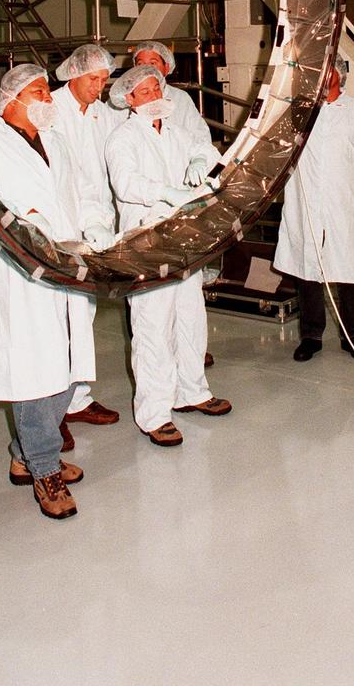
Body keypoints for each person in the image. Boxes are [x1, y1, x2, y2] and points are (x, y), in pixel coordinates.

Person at [0, 64, 98, 521]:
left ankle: (27, 453)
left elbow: (72, 196)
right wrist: (38, 234)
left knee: (69, 364)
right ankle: (44, 469)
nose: (47, 99)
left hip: (64, 260)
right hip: (19, 269)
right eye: (39, 92)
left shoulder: (53, 140)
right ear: (13, 99)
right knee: (35, 369)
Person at [105, 64, 231, 447]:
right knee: (153, 327)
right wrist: (166, 193)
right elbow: (126, 183)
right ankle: (154, 414)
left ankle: (192, 392)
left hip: (184, 238)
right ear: (128, 99)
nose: (153, 98)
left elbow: (204, 151)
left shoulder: (176, 132)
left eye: (156, 91)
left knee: (191, 317)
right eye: (144, 93)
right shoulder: (122, 138)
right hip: (147, 239)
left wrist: (200, 162)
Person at [274, 54, 354, 363]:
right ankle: (311, 336)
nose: (324, 77)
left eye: (330, 71)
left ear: (340, 74)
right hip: (305, 201)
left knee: (350, 268)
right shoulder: (299, 110)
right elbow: (277, 150)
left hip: (343, 203)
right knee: (308, 268)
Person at [52, 43, 124, 436]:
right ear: (74, 75)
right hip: (63, 226)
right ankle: (53, 408)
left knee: (85, 313)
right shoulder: (52, 109)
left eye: (104, 79)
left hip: (98, 223)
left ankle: (77, 398)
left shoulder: (101, 114)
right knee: (59, 317)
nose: (101, 86)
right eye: (94, 79)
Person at [131, 40, 211, 148]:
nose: (146, 70)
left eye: (153, 63)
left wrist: (199, 160)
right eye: (140, 64)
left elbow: (201, 137)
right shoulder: (124, 100)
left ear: (166, 68)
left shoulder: (181, 99)